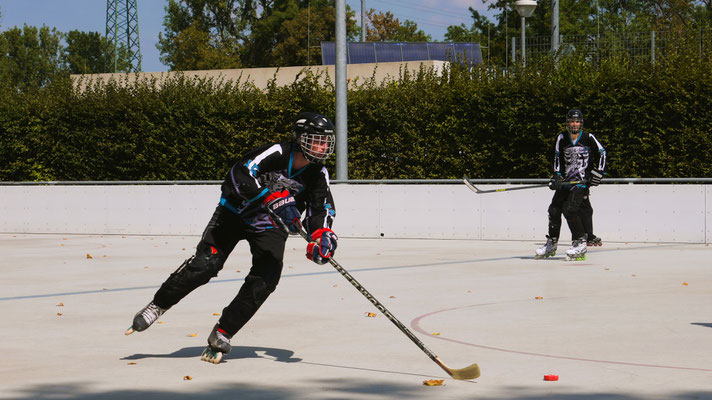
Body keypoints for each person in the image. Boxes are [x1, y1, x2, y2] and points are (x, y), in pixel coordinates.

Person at [125, 112, 339, 364]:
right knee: (206, 266)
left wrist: (322, 235)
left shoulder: (318, 173)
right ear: (300, 138)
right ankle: (158, 305)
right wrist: (270, 198)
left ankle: (223, 332)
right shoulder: (276, 153)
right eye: (316, 140)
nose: (322, 147)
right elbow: (239, 174)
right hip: (233, 215)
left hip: (269, 227)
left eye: (326, 142)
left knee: (266, 278)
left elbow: (321, 208)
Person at [535, 109, 606, 261]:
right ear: (568, 123)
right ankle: (552, 243)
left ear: (581, 123)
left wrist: (598, 173)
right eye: (572, 121)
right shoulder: (562, 137)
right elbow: (557, 157)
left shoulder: (588, 137)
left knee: (570, 209)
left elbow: (602, 153)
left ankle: (580, 242)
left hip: (580, 183)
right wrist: (556, 176)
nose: (575, 124)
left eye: (577, 121)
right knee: (553, 210)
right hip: (566, 182)